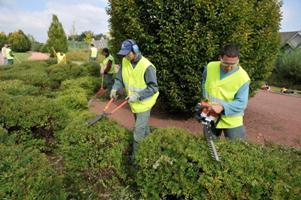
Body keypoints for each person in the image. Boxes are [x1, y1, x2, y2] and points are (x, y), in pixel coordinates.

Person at [110, 39, 159, 158]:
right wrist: (115, 88)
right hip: (134, 103)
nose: (125, 56)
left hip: (144, 104)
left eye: (127, 53)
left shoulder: (147, 66)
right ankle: (152, 149)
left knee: (138, 133)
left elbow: (154, 88)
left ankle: (136, 160)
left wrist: (137, 95)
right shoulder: (125, 61)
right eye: (124, 54)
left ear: (135, 50)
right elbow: (119, 78)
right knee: (143, 128)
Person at [201, 44, 250, 140]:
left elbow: (242, 103)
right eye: (226, 64)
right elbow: (204, 83)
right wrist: (204, 102)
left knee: (235, 150)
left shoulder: (243, 78)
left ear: (238, 60)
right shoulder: (210, 67)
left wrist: (222, 107)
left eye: (233, 64)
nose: (229, 67)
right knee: (207, 145)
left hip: (232, 120)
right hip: (210, 115)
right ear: (220, 58)